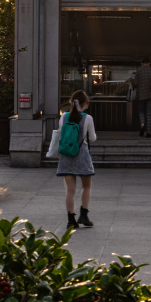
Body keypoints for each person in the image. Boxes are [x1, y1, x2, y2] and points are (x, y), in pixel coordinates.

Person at [56, 90, 97, 229]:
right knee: (87, 186)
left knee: (70, 190)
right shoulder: (88, 118)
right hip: (82, 156)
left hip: (67, 155)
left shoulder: (63, 117)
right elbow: (92, 138)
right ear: (85, 103)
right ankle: (84, 215)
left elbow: (61, 134)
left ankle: (70, 220)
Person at [133, 57, 151, 138]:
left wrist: (132, 81)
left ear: (142, 63)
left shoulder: (138, 71)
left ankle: (142, 124)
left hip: (141, 96)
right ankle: (148, 132)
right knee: (149, 114)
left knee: (141, 111)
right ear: (149, 63)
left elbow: (136, 84)